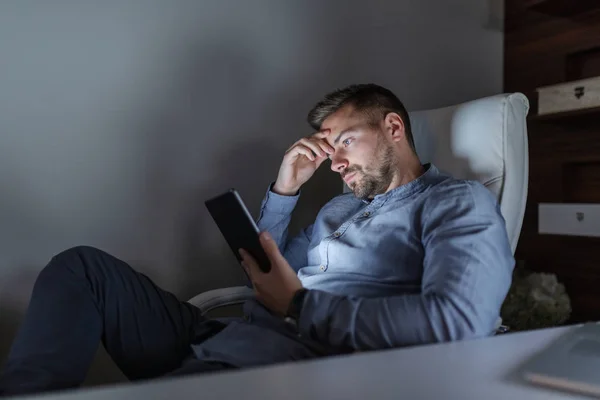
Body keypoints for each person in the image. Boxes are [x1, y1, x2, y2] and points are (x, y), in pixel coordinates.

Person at [0, 84, 514, 395]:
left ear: (394, 127)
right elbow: (267, 271)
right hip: (218, 333)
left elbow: (459, 320)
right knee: (81, 268)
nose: (335, 161)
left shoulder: (456, 201)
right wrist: (284, 188)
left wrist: (299, 307)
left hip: (279, 362)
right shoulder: (339, 206)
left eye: (345, 142)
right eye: (328, 149)